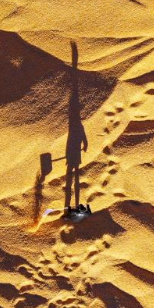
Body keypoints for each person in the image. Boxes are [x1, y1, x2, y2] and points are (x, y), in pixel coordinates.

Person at [64, 41, 89, 219]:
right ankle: (73, 208)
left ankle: (72, 209)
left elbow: (82, 133)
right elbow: (83, 135)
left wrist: (85, 143)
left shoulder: (76, 123)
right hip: (73, 152)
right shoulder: (77, 124)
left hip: (72, 152)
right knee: (73, 179)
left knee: (73, 179)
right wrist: (85, 144)